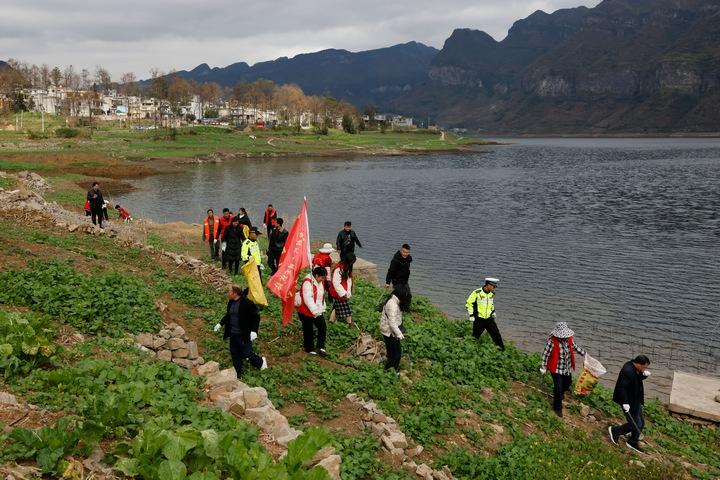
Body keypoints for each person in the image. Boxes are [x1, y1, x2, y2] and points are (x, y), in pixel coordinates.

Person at [214, 285, 268, 378]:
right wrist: (220, 324)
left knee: (247, 353)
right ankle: (238, 373)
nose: (228, 293)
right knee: (234, 353)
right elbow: (228, 315)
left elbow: (256, 317)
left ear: (235, 293)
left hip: (243, 334)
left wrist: (254, 331)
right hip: (233, 333)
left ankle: (261, 362)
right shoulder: (231, 302)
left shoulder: (247, 303)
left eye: (229, 291)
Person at [540, 322, 587, 417]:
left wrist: (585, 355)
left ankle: (559, 394)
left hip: (566, 368)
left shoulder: (569, 340)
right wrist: (543, 367)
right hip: (556, 369)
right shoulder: (552, 342)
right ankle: (557, 408)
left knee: (568, 383)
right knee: (558, 387)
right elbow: (545, 354)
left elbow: (575, 348)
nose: (563, 337)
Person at [608, 355, 652, 454]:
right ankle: (615, 431)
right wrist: (625, 403)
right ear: (638, 364)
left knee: (641, 423)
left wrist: (644, 375)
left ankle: (633, 441)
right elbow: (621, 388)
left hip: (636, 400)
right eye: (644, 367)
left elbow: (636, 380)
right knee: (635, 423)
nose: (645, 369)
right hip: (628, 401)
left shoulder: (636, 369)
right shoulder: (627, 371)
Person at [296, 266, 328, 356]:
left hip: (316, 310)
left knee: (322, 327)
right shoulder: (307, 282)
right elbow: (308, 298)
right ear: (316, 275)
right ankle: (309, 348)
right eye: (322, 277)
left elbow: (320, 295)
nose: (323, 279)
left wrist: (321, 308)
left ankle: (320, 346)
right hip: (305, 310)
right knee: (308, 329)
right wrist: (314, 311)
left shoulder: (320, 282)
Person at [466, 278, 504, 350]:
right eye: (493, 286)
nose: (494, 288)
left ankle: (501, 349)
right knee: (475, 336)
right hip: (479, 319)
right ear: (488, 285)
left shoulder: (491, 294)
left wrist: (493, 312)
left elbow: (491, 304)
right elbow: (469, 303)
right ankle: (470, 349)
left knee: (496, 334)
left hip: (489, 318)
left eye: (495, 287)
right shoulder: (477, 292)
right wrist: (471, 315)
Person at [379, 284, 411, 372]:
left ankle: (388, 365)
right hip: (389, 331)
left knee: (391, 349)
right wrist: (399, 334)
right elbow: (392, 323)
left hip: (387, 330)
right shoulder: (392, 305)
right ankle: (391, 370)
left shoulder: (394, 301)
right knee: (397, 353)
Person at [329, 253, 356, 324]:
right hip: (339, 292)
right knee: (348, 309)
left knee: (336, 307)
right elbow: (336, 282)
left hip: (342, 291)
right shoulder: (339, 268)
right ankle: (350, 324)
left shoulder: (345, 267)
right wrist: (343, 293)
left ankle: (331, 321)